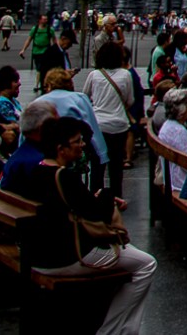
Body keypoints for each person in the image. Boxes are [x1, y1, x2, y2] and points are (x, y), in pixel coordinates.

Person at [13, 117, 158, 335]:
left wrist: (95, 198)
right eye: (77, 141)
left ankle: (122, 328)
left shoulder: (36, 171)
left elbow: (77, 204)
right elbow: (96, 212)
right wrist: (107, 196)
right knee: (146, 264)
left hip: (37, 254)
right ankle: (112, 330)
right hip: (68, 256)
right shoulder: (64, 176)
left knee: (132, 264)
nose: (82, 145)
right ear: (61, 148)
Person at [82, 42, 138, 199]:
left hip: (98, 125)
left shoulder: (94, 75)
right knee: (116, 167)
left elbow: (85, 96)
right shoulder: (126, 75)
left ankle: (95, 196)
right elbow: (130, 99)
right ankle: (117, 197)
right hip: (119, 125)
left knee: (98, 166)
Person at [156, 88, 187, 195]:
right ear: (182, 109)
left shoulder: (170, 125)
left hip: (172, 178)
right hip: (179, 184)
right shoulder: (178, 131)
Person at [23, 14, 55, 92]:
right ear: (40, 20)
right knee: (39, 69)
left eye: (46, 19)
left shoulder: (50, 29)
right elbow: (29, 39)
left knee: (42, 68)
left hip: (46, 52)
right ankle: (39, 84)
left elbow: (54, 41)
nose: (45, 21)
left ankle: (41, 84)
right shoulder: (35, 29)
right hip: (36, 51)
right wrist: (23, 49)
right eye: (44, 19)